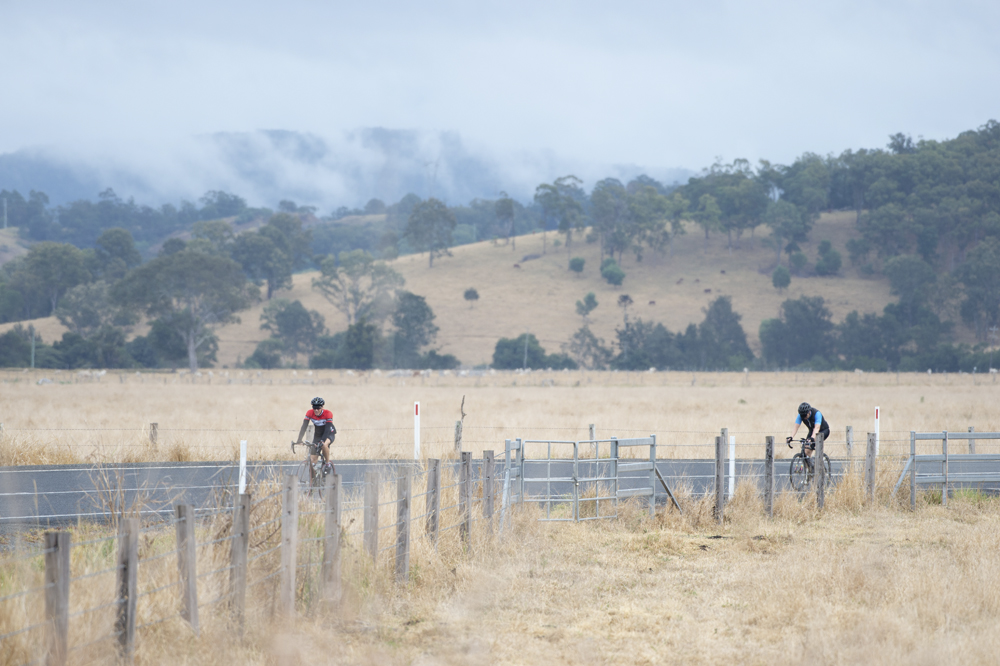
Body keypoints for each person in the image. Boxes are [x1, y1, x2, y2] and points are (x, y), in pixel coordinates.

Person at [295, 397, 336, 475]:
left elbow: (327, 429)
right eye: (314, 408)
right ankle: (315, 476)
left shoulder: (328, 413)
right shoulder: (309, 413)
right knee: (313, 459)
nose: (316, 410)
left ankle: (327, 464)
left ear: (322, 407)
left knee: (324, 445)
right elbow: (304, 426)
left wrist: (322, 440)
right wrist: (299, 439)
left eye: (318, 408)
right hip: (318, 434)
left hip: (329, 433)